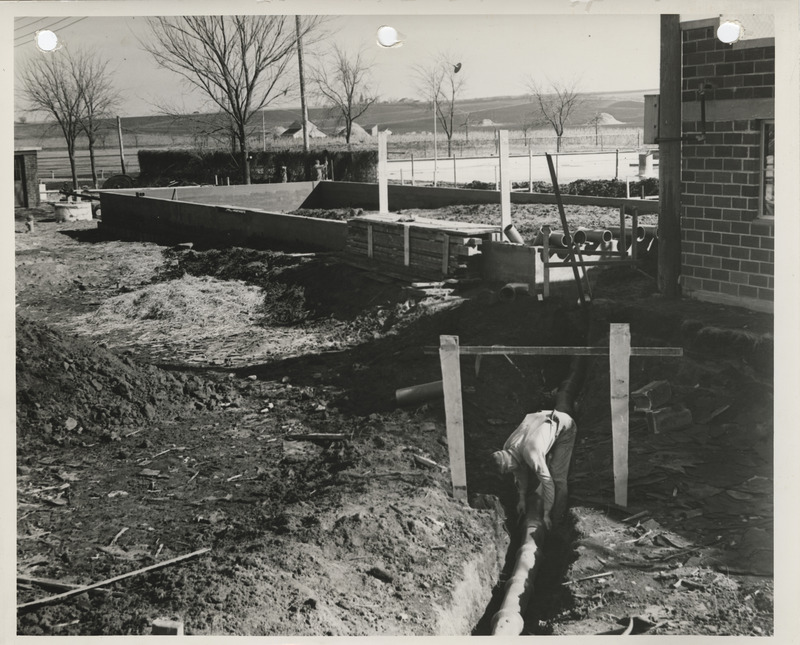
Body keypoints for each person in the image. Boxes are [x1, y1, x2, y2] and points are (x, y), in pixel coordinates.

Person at [492, 408, 577, 531]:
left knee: (557, 476)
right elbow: (520, 473)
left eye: (508, 471)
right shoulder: (507, 448)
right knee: (539, 470)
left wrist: (546, 514)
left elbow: (548, 483)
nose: (510, 472)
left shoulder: (531, 453)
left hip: (565, 427)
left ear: (509, 465)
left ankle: (558, 521)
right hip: (542, 423)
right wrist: (521, 498)